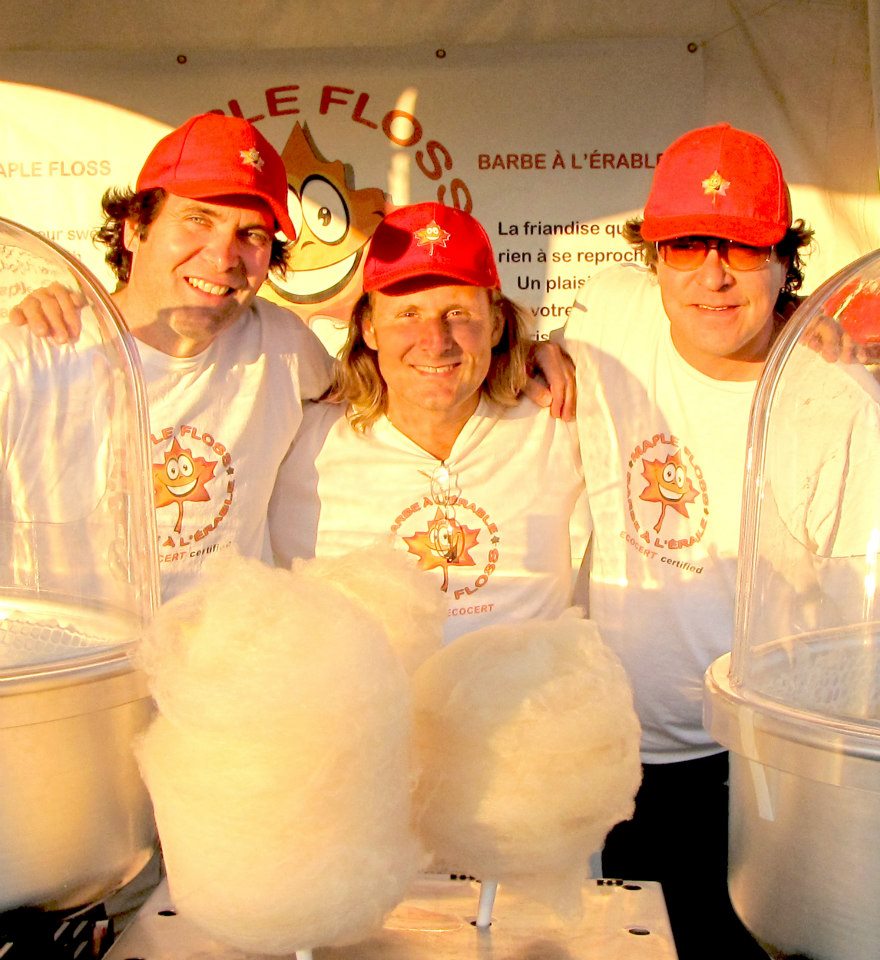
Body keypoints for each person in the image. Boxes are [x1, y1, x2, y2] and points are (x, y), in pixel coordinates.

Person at [562, 122, 815, 959]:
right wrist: (525, 350)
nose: (711, 274)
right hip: (613, 752)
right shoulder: (605, 310)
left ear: (785, 259)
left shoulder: (835, 398)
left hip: (752, 764)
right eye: (685, 246)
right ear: (652, 256)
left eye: (742, 248)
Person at [6, 113, 334, 601]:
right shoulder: (33, 356)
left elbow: (385, 405)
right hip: (75, 662)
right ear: (135, 229)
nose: (224, 257)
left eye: (253, 235)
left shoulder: (283, 346)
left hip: (220, 666)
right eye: (198, 219)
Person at [269, 202, 588, 642]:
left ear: (496, 325)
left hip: (525, 706)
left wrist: (549, 349)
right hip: (362, 708)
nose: (435, 342)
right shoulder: (299, 442)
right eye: (408, 314)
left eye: (458, 314)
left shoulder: (557, 422)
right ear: (369, 328)